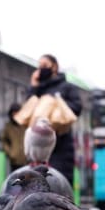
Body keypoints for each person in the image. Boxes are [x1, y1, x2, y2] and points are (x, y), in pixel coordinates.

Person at [27, 54, 82, 186]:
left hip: (61, 145)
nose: (41, 69)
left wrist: (55, 106)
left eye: (45, 65)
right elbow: (27, 110)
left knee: (59, 182)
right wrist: (34, 87)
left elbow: (77, 108)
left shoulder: (67, 87)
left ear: (55, 67)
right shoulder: (39, 89)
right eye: (39, 66)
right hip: (37, 145)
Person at [0, 103, 28, 172]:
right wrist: (10, 153)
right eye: (14, 113)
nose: (15, 115)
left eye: (17, 112)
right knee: (15, 180)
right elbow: (3, 141)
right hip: (14, 161)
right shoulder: (8, 126)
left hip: (27, 160)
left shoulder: (26, 125)